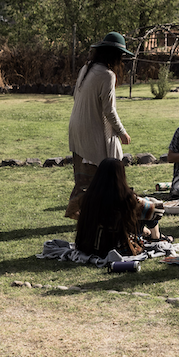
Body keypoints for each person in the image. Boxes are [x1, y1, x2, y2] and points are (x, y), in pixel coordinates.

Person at [66, 32, 132, 219]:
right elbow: (109, 110)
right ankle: (76, 210)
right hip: (90, 129)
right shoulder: (107, 75)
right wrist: (122, 132)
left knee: (86, 172)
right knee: (100, 171)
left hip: (77, 126)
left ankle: (88, 211)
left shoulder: (86, 68)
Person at [74, 158, 163, 257]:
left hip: (89, 246)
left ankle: (151, 234)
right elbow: (158, 211)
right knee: (148, 205)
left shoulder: (88, 196)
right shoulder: (126, 198)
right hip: (119, 247)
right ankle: (155, 237)